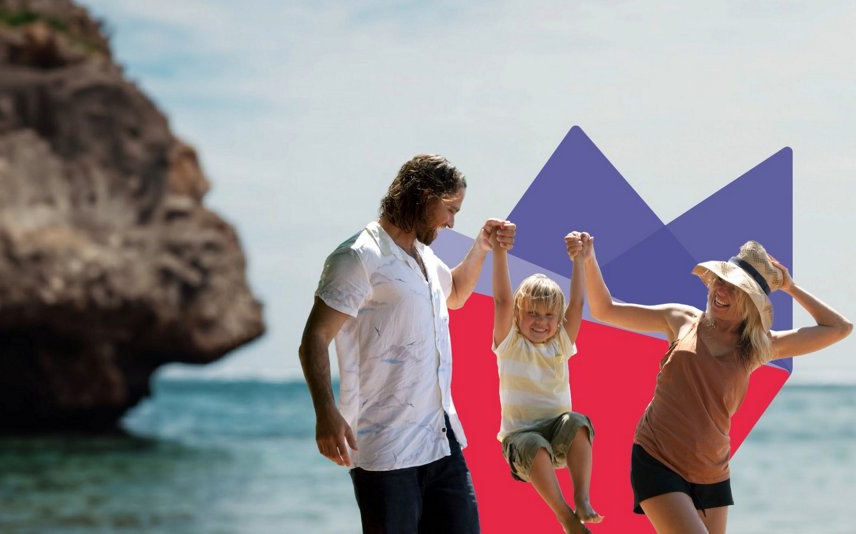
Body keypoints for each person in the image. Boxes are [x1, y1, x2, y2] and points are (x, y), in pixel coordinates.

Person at [574, 233, 852, 534]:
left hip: (712, 471)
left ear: (750, 302)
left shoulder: (758, 347)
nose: (721, 290)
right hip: (657, 457)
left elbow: (839, 328)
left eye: (734, 288)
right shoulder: (680, 319)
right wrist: (589, 259)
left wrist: (791, 287)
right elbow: (605, 310)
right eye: (721, 280)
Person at [299, 153, 514, 533]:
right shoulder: (359, 256)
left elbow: (458, 294)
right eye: (449, 209)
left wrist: (481, 245)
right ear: (424, 195)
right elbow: (315, 338)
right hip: (385, 447)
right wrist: (326, 413)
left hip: (440, 438)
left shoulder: (424, 258)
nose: (451, 222)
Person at [489, 231, 600, 533]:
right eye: (532, 314)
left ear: (558, 318)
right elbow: (501, 299)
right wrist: (499, 252)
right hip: (521, 441)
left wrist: (578, 259)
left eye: (549, 315)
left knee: (578, 421)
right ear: (518, 315)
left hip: (557, 435)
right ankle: (565, 516)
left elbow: (576, 305)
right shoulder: (510, 343)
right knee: (535, 444)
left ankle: (582, 498)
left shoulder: (560, 344)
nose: (540, 322)